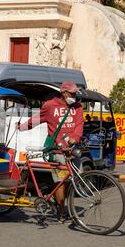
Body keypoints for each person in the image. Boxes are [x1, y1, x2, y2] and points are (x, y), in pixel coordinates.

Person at [18, 81, 84, 221]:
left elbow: (79, 124)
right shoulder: (50, 106)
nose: (75, 96)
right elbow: (36, 120)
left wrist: (74, 138)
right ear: (64, 93)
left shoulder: (77, 107)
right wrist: (22, 127)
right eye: (72, 93)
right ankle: (61, 212)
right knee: (60, 181)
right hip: (57, 151)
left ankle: (58, 201)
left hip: (73, 149)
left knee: (72, 180)